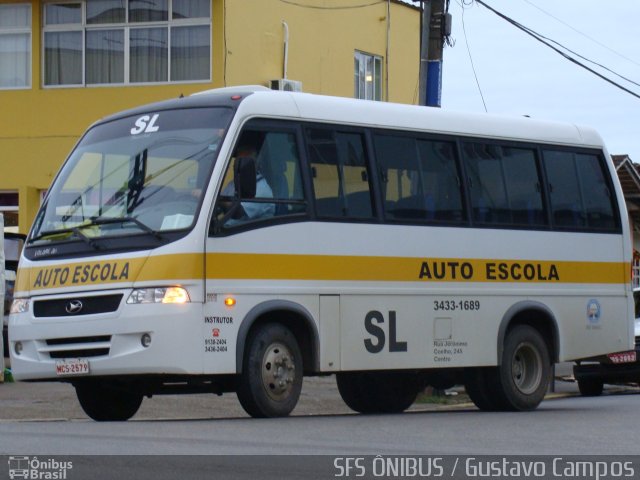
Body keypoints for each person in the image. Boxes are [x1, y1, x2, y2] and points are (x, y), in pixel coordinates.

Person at [220, 144, 275, 224]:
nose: (236, 165)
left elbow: (237, 212)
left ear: (251, 166)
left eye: (242, 162)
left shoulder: (262, 189)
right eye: (237, 161)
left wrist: (217, 199)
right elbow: (220, 204)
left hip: (252, 233)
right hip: (229, 231)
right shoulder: (233, 183)